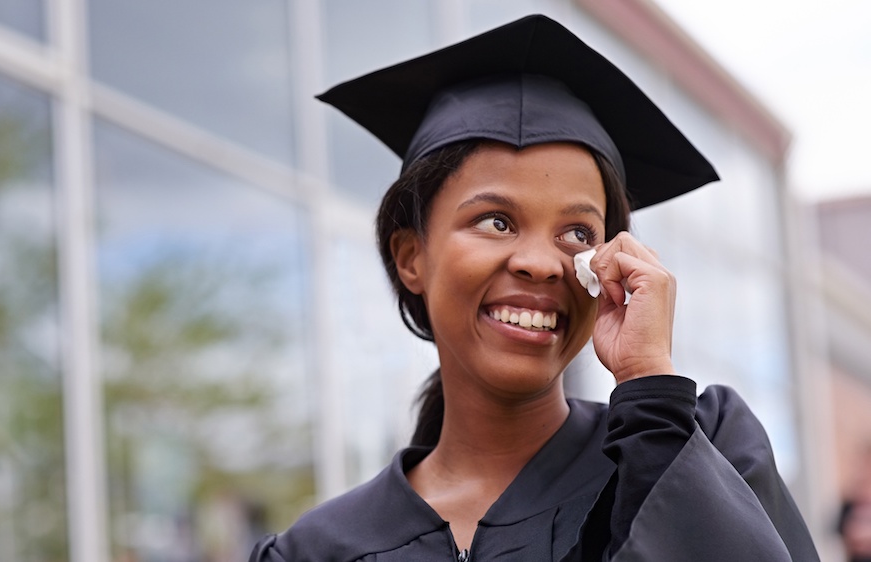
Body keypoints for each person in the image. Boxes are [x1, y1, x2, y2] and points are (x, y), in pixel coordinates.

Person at [250, 15, 818, 561]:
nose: (542, 264)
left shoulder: (700, 448)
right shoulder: (319, 550)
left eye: (577, 232)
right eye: (496, 220)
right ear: (411, 257)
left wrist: (649, 385)